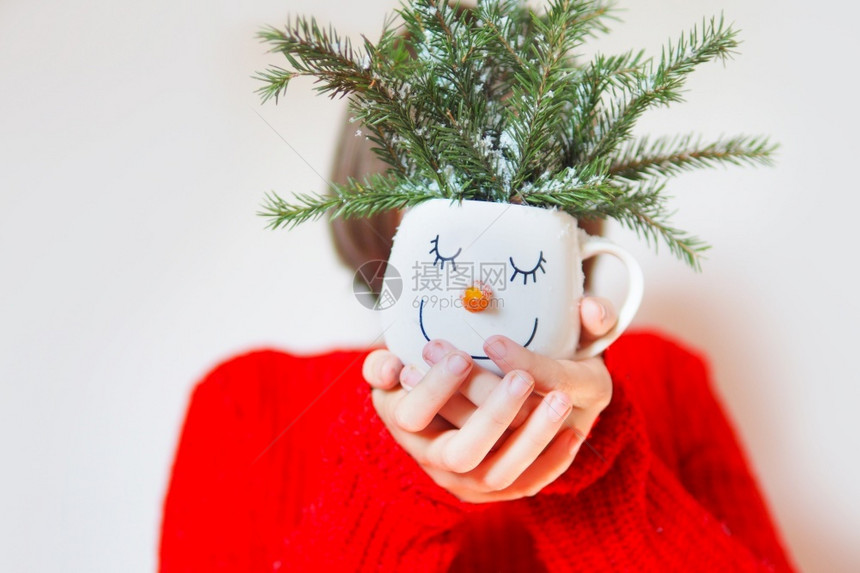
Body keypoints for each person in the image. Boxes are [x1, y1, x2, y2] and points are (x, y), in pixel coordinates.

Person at [158, 119, 797, 571]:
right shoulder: (246, 403)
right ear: (386, 216)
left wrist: (593, 472)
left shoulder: (666, 380)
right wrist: (388, 487)